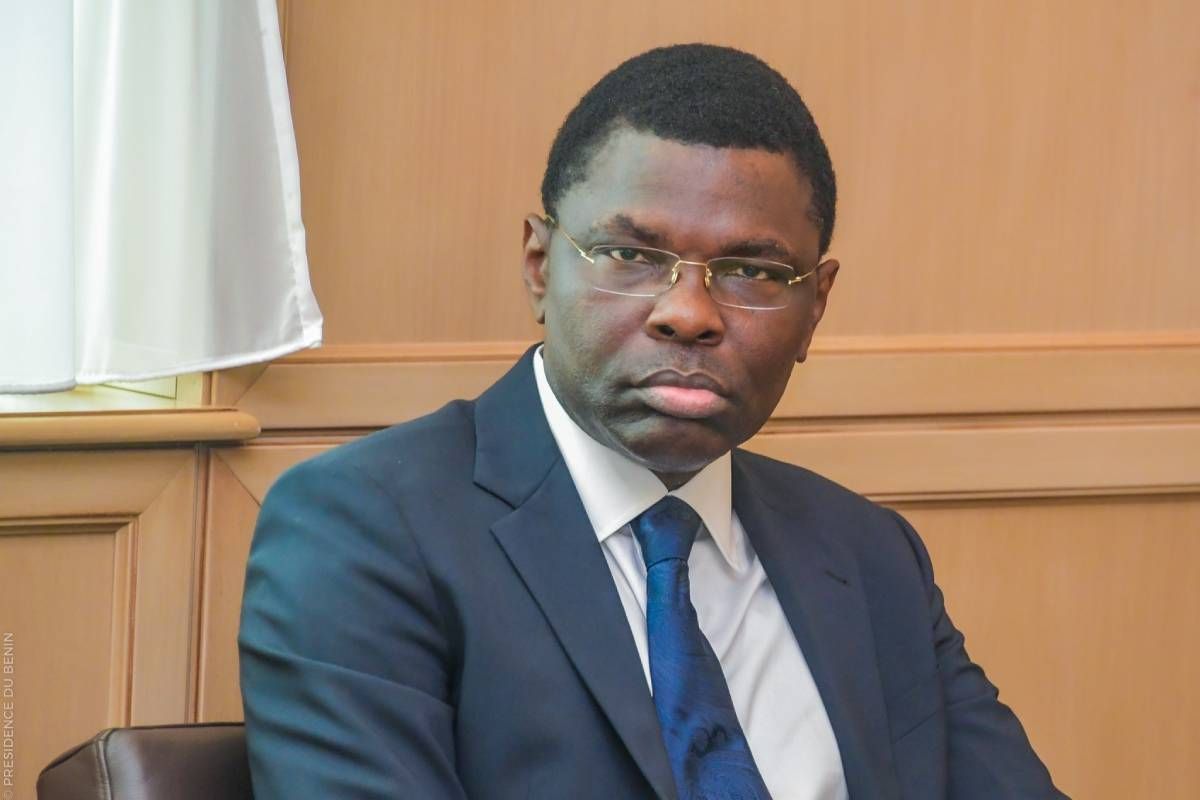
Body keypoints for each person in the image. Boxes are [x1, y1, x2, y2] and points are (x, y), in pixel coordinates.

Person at [238, 44, 1067, 799]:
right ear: (539, 267)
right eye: (631, 256)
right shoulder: (365, 531)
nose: (689, 313)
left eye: (752, 271)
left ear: (815, 307)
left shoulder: (869, 555)